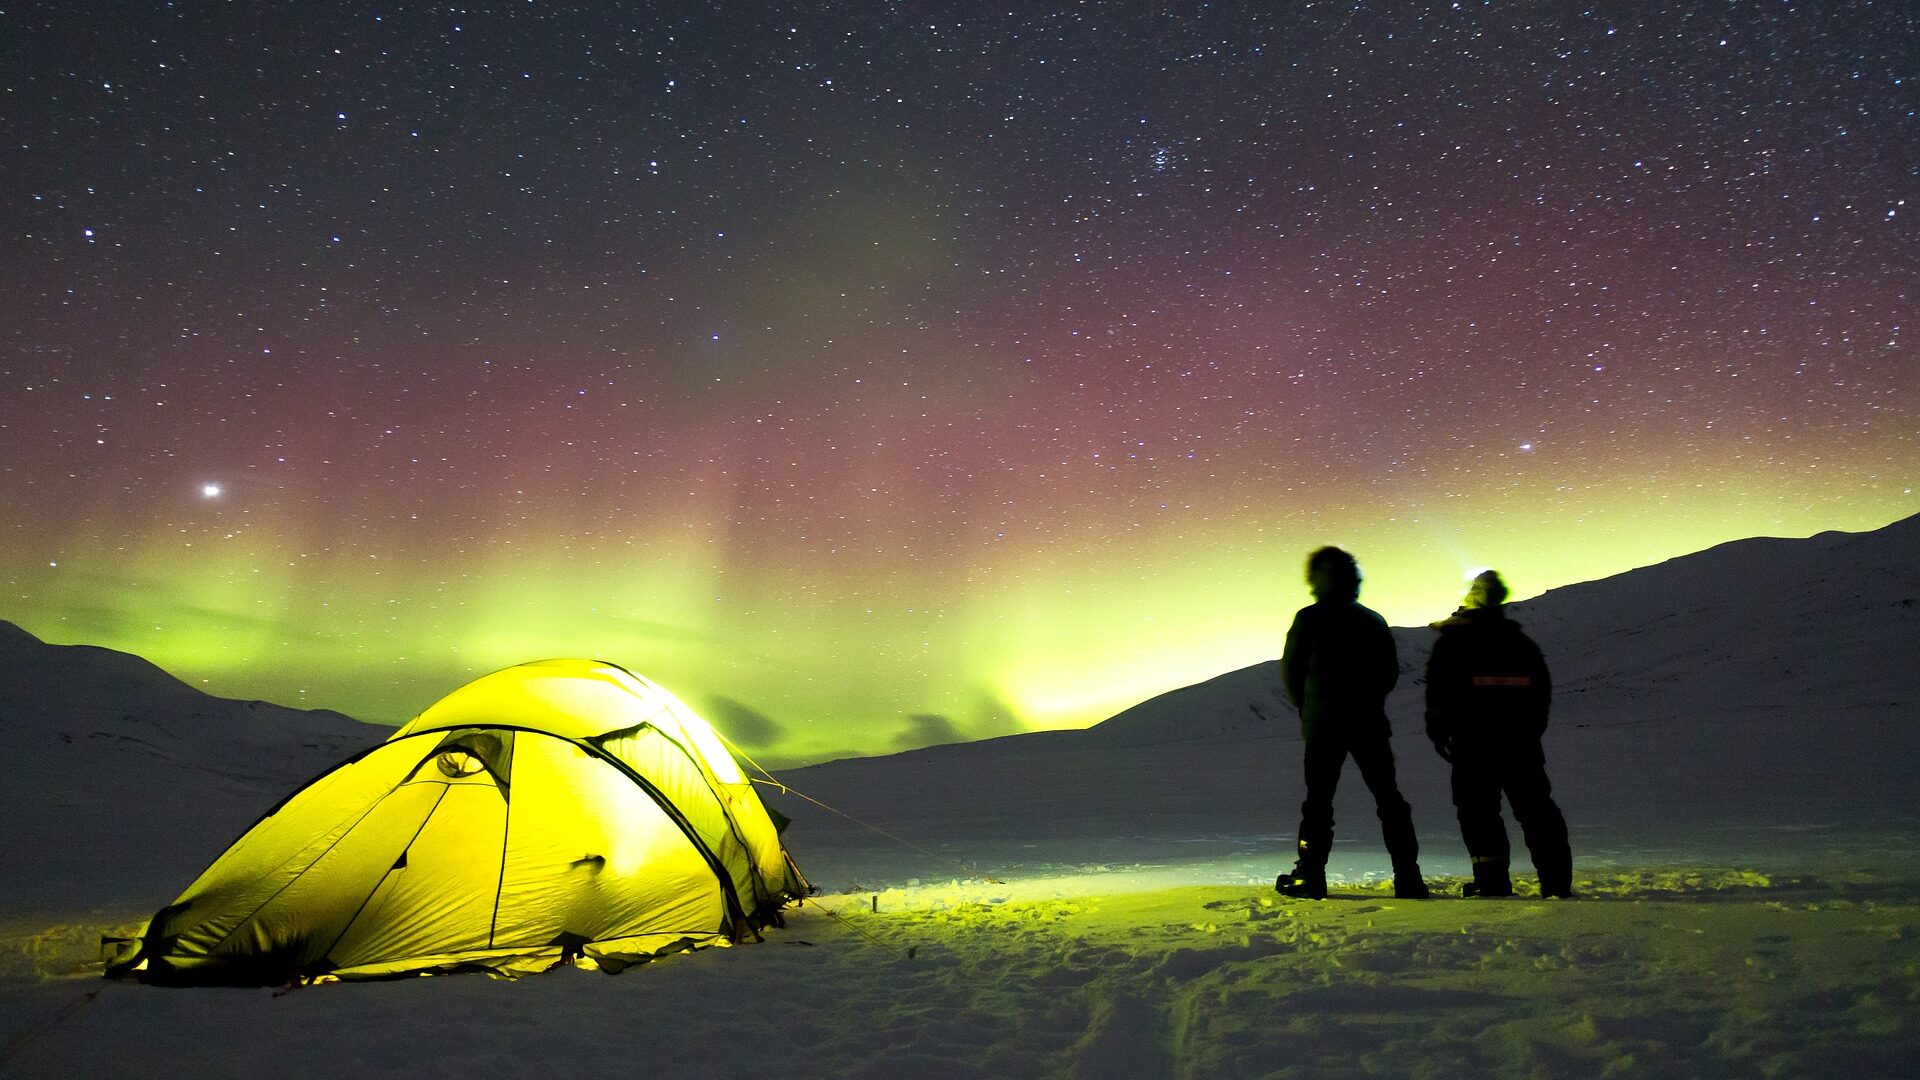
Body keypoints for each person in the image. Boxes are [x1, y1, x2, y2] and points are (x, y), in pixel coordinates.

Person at [1275, 546, 1428, 900]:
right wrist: (1368, 703)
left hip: (1324, 726)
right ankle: (1409, 876)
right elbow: (1389, 672)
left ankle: (1311, 874)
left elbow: (1292, 673)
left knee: (1318, 803)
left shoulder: (1308, 618)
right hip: (1369, 723)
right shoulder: (1371, 621)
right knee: (1389, 799)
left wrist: (1310, 709)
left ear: (1316, 579)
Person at [1424, 570, 1573, 898]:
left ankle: (1491, 882)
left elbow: (1438, 693)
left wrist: (1439, 732)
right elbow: (1541, 696)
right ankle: (1556, 882)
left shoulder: (1453, 642)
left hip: (1472, 744)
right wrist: (1530, 732)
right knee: (1536, 809)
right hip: (1520, 743)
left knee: (1477, 810)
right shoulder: (1522, 644)